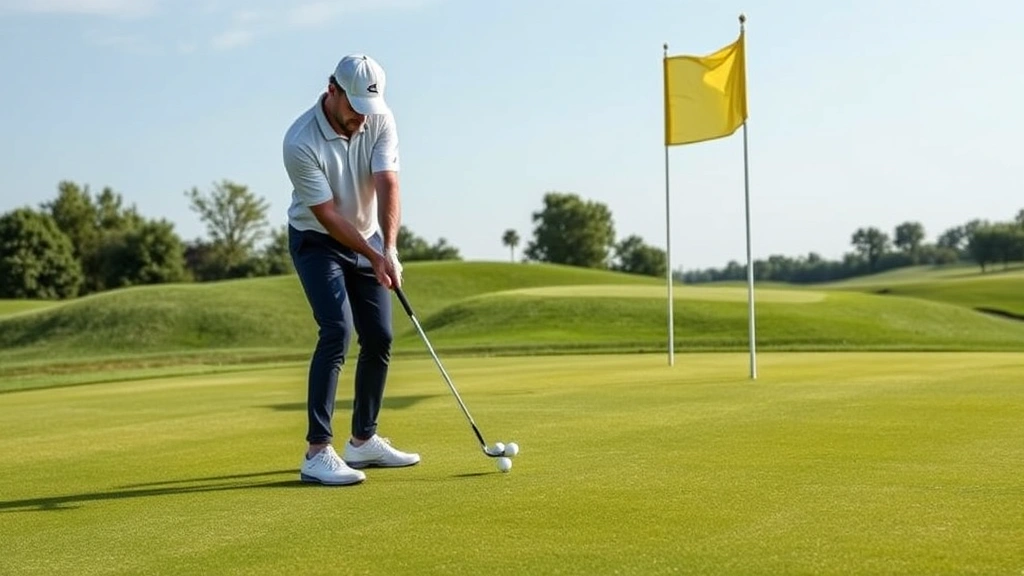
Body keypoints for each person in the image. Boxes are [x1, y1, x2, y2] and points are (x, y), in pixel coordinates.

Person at [283, 53, 419, 486]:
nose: (361, 118)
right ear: (332, 90)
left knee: (380, 334)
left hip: (368, 238)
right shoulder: (299, 141)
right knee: (337, 330)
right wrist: (373, 253)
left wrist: (390, 248)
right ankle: (317, 451)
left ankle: (362, 441)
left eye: (368, 107)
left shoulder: (379, 117)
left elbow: (387, 182)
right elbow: (326, 215)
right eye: (354, 106)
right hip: (317, 239)